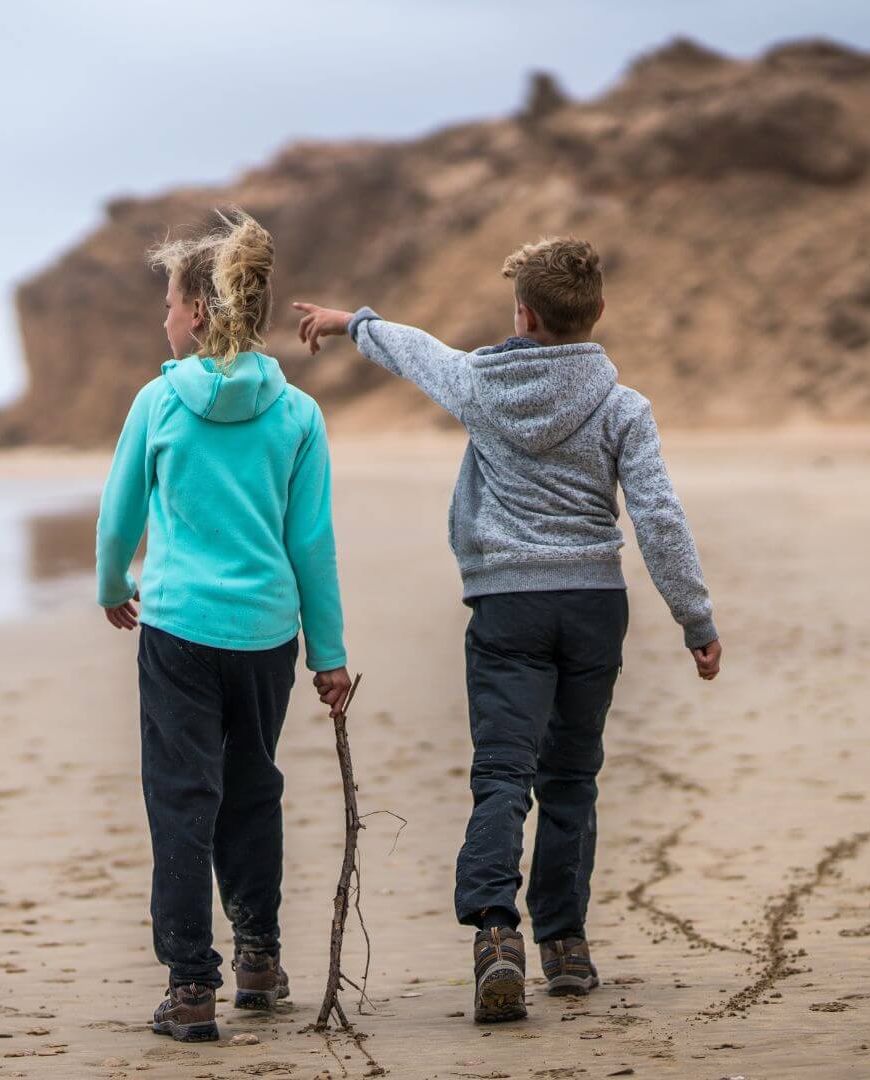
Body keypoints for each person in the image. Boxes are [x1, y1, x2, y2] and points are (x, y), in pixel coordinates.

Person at [294, 237, 721, 1023]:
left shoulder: (480, 386)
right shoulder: (623, 406)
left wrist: (351, 322)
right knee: (571, 776)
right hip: (593, 605)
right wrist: (694, 616)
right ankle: (565, 944)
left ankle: (496, 933)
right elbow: (658, 516)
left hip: (508, 607)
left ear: (522, 313)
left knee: (502, 774)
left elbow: (416, 352)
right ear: (594, 315)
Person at [96, 209, 352, 1042]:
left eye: (170, 302)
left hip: (177, 632)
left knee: (181, 799)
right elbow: (310, 543)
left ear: (199, 312)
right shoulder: (297, 415)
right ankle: (258, 956)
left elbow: (120, 511)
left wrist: (110, 584)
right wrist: (330, 655)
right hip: (266, 639)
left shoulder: (159, 401)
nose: (163, 317)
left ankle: (191, 985)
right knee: (252, 789)